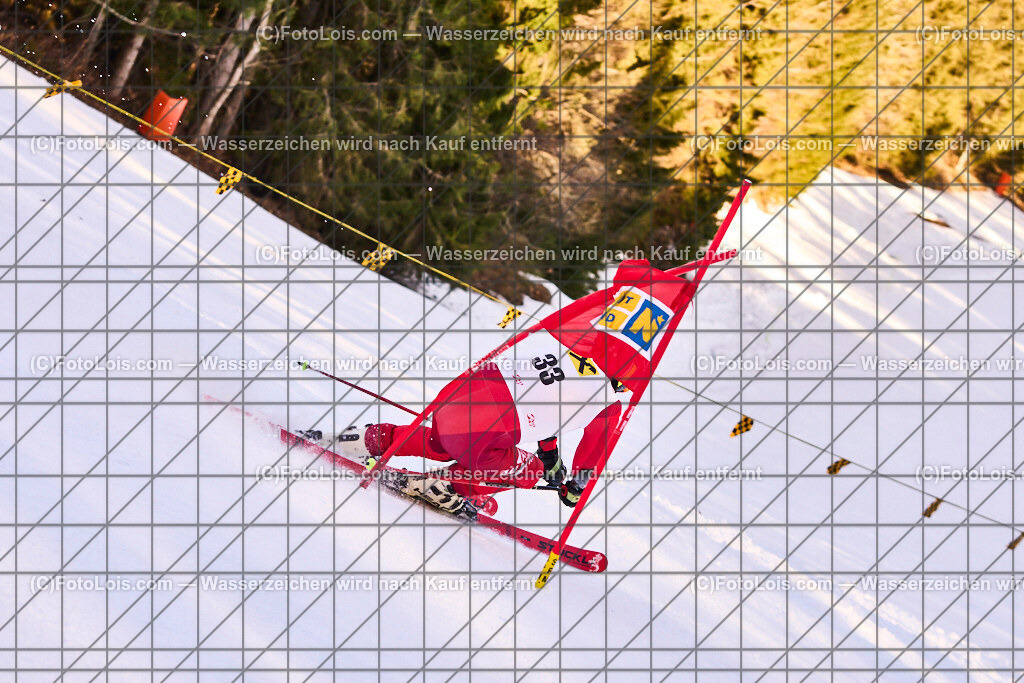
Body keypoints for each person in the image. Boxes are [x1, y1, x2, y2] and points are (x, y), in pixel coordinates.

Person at [303, 333, 626, 517]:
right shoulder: (607, 405)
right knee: (529, 471)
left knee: (442, 442)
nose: (627, 389)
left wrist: (551, 453)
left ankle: (363, 440)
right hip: (485, 431)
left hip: (457, 399)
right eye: (628, 382)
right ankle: (449, 488)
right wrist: (575, 488)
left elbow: (549, 403)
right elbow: (592, 456)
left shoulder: (567, 345)